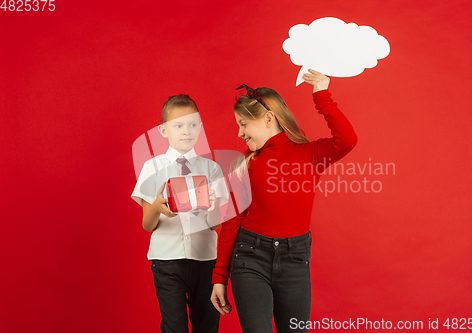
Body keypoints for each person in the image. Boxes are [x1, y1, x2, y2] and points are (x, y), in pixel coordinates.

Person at [210, 70, 358, 333]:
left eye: (243, 124)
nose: (239, 133)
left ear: (268, 118)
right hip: (250, 259)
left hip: (294, 261)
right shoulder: (245, 164)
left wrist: (321, 94)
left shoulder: (311, 154)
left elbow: (347, 140)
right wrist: (219, 277)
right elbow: (233, 220)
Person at [131, 94, 229, 333]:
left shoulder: (211, 168)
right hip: (166, 259)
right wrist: (156, 206)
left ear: (201, 127)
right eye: (178, 125)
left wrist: (213, 207)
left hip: (205, 258)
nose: (187, 131)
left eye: (193, 124)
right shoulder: (152, 167)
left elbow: (215, 225)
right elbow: (147, 224)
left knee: (207, 324)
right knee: (174, 326)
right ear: (164, 131)